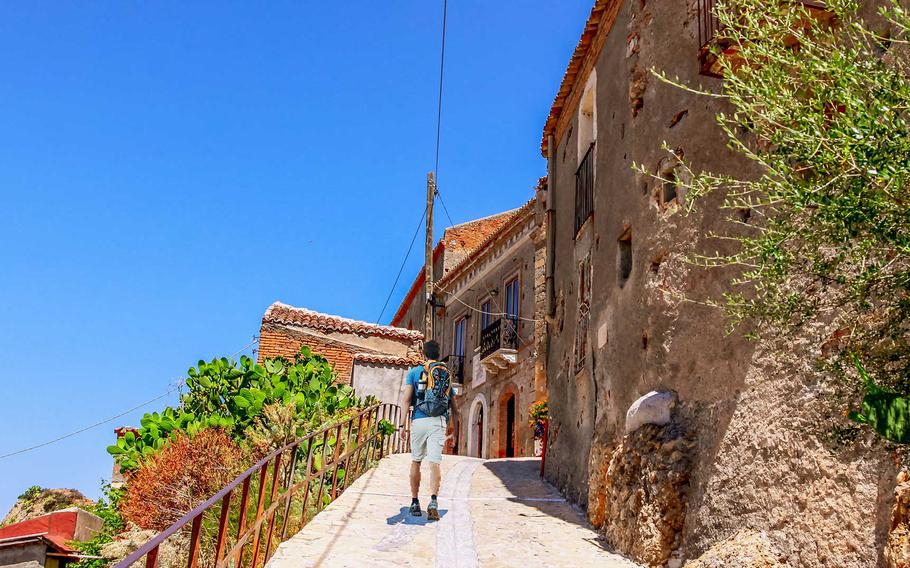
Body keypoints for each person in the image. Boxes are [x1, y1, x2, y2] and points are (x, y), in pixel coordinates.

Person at [399, 340, 459, 520]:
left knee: (416, 461)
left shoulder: (414, 372)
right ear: (438, 353)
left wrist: (403, 425)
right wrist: (454, 430)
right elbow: (455, 408)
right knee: (434, 463)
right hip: (438, 421)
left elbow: (407, 400)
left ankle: (415, 502)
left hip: (419, 419)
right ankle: (433, 501)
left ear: (423, 354)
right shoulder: (444, 374)